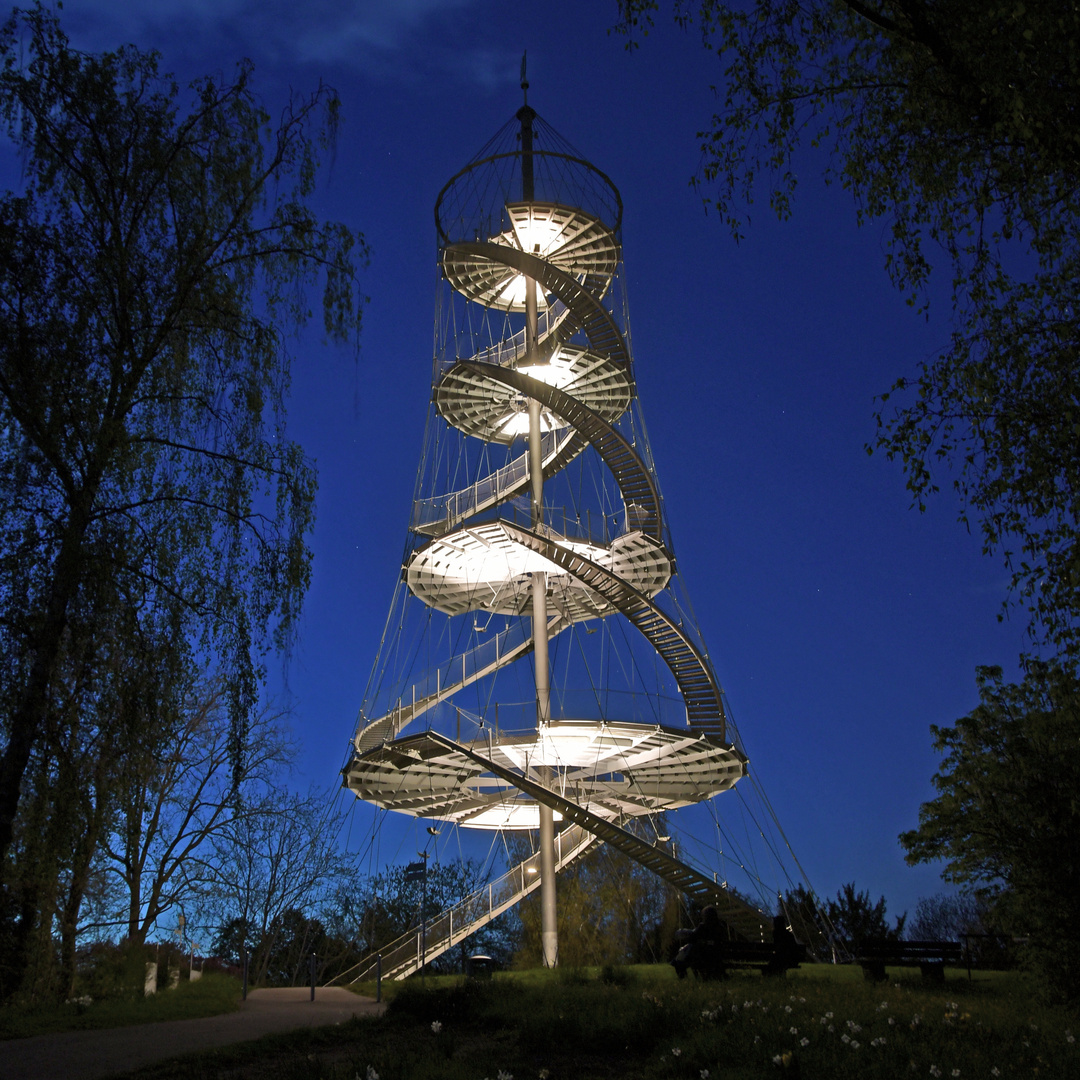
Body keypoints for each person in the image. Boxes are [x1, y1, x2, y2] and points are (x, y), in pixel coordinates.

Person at [672, 905, 724, 979]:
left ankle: (683, 978)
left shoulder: (703, 927)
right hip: (716, 955)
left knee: (679, 959)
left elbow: (692, 938)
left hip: (701, 956)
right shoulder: (720, 927)